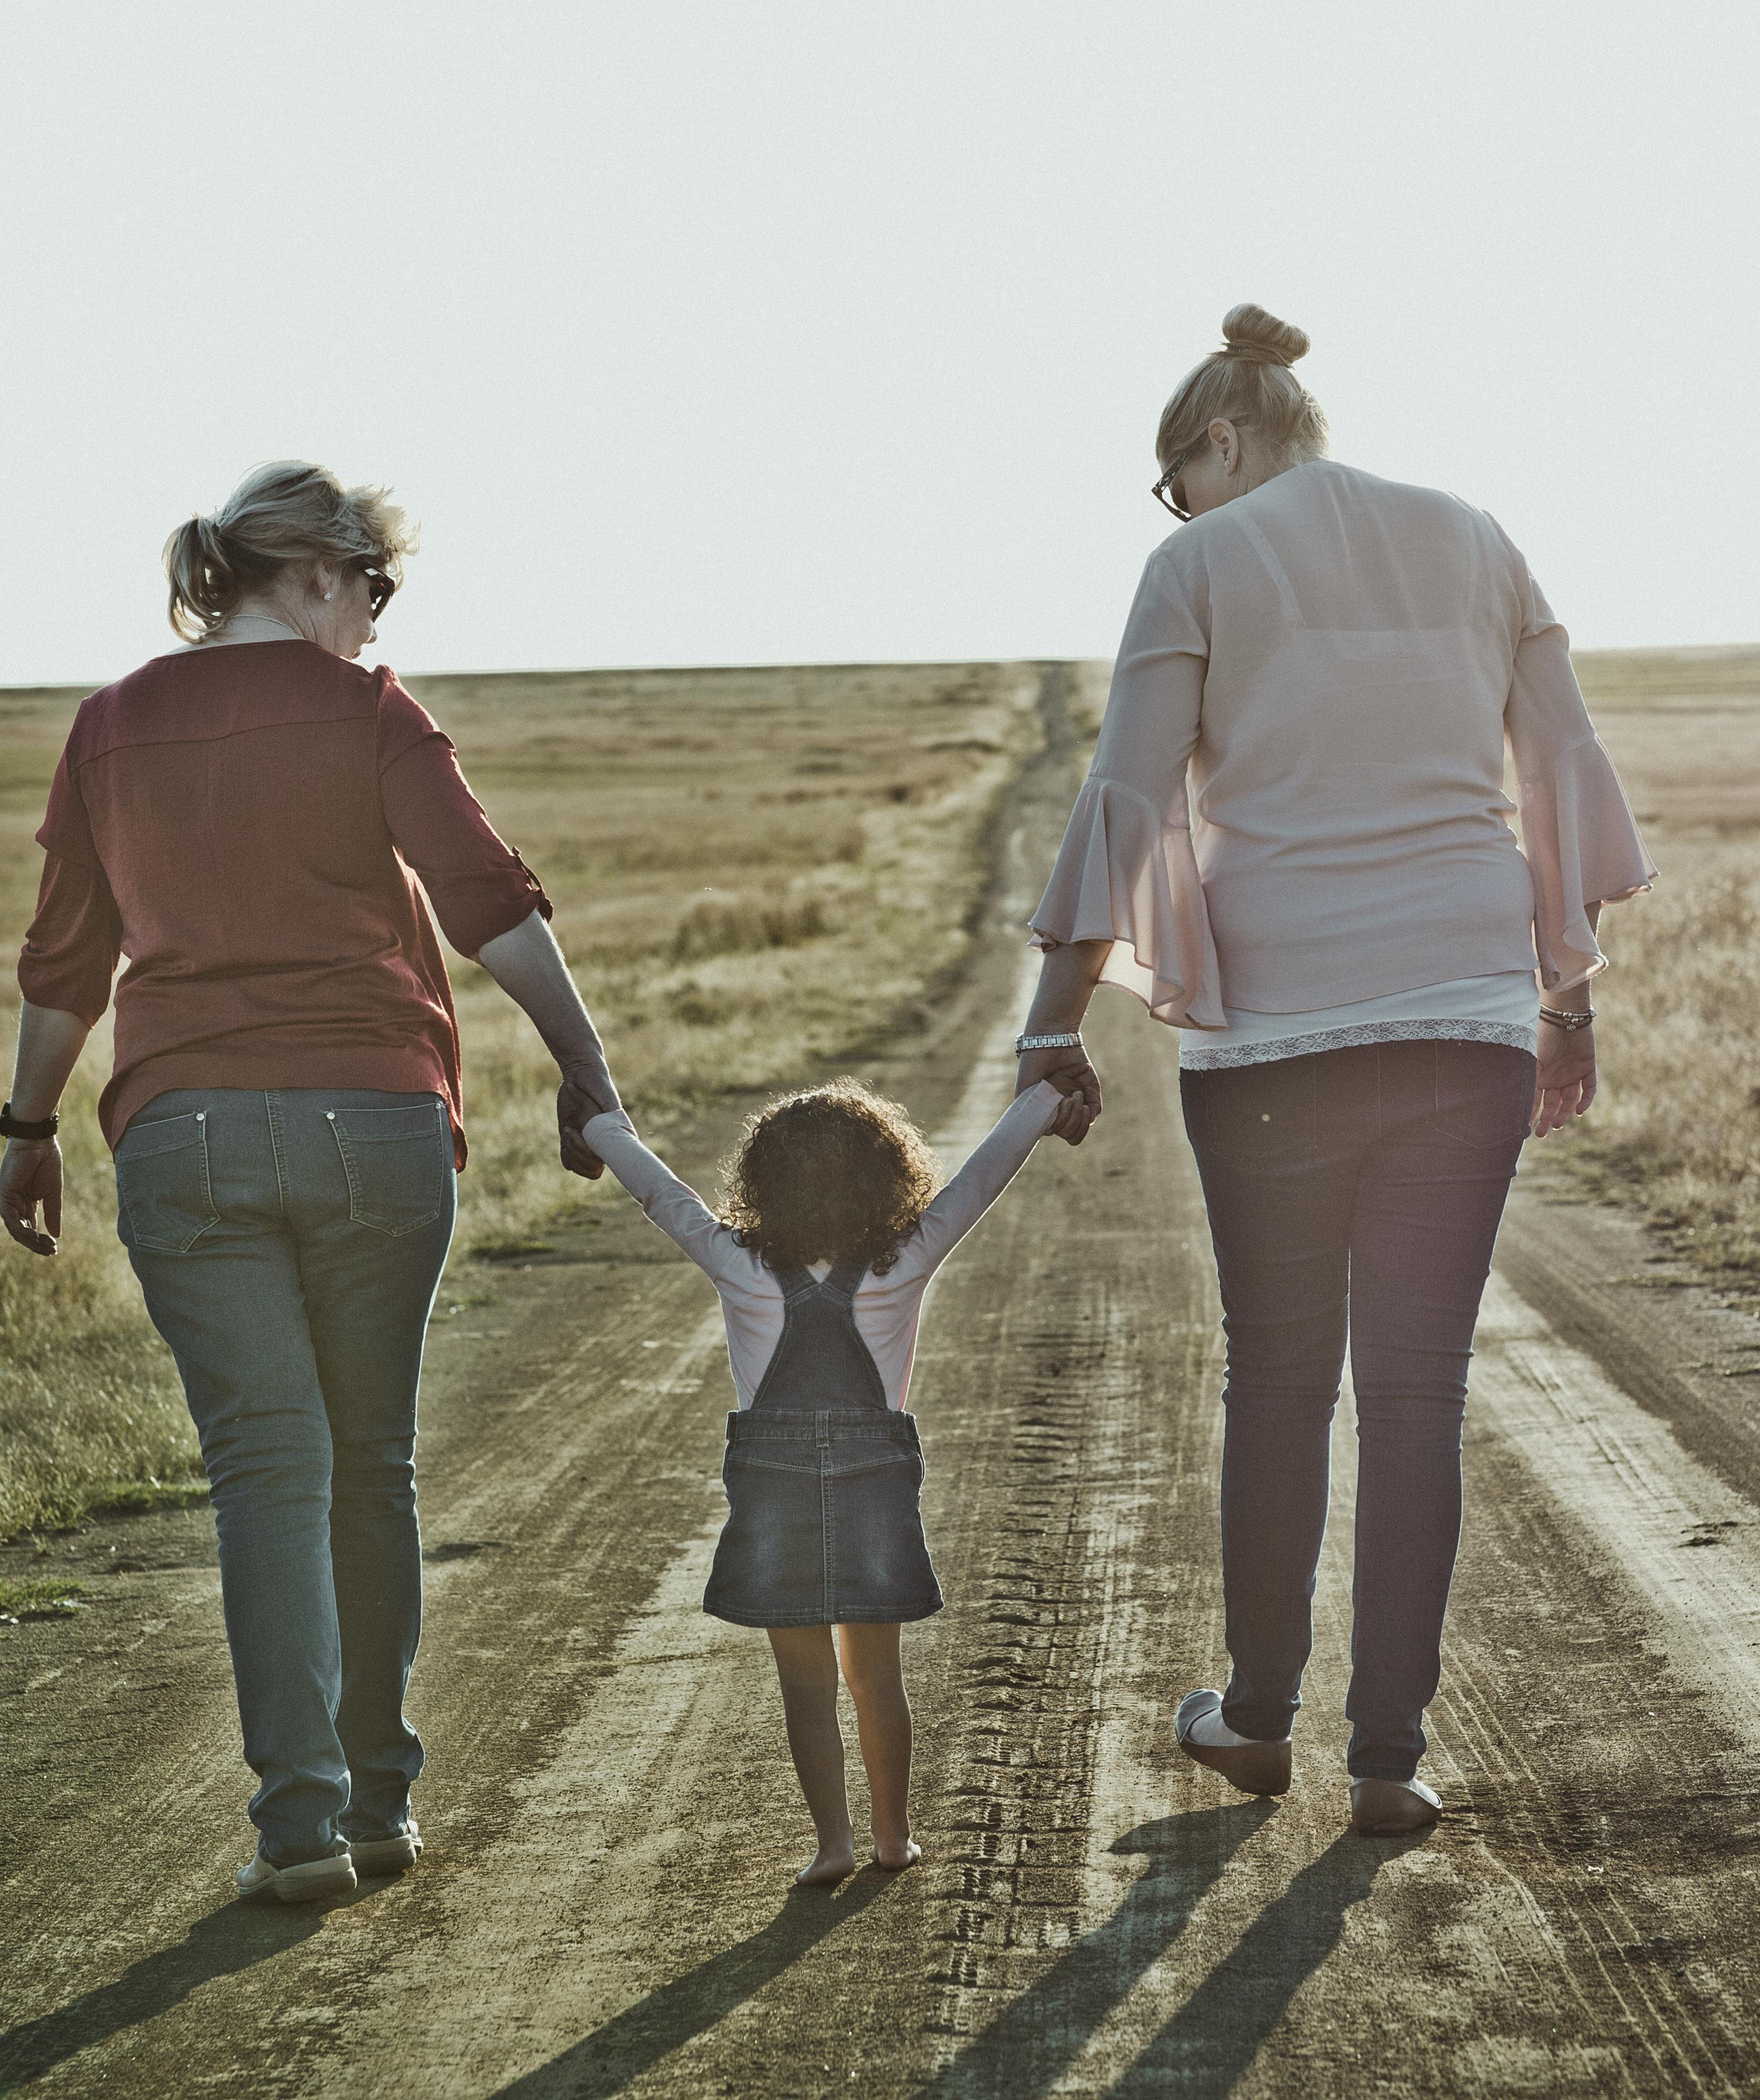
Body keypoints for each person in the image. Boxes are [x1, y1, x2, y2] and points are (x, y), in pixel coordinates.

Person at [1016, 306, 1656, 1838]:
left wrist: (1053, 1021)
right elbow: (1556, 768)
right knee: (1422, 1392)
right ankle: (1390, 1757)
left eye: (1182, 481)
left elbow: (1127, 792)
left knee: (1283, 1380)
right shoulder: (1479, 539)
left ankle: (1254, 1715)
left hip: (1279, 1043)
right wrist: (1567, 1002)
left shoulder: (1197, 566)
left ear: (1225, 442)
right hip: (1468, 1018)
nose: (1181, 512)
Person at [0, 460, 621, 1903]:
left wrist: (27, 1128)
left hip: (184, 1136)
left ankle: (296, 1826)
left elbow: (65, 962)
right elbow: (487, 903)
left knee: (266, 1477)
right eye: (378, 593)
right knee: (369, 1464)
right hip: (375, 1126)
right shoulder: (368, 709)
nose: (376, 625)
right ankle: (383, 1807)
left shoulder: (109, 727)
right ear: (326, 576)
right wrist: (589, 1074)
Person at [577, 1076, 1090, 1884]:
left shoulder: (738, 1265)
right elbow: (981, 1179)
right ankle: (894, 1836)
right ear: (886, 1177)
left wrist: (603, 1126)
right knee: (876, 1674)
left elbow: (661, 1195)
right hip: (874, 1482)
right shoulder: (904, 1261)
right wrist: (1043, 1103)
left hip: (773, 1489)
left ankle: (832, 1846)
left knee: (806, 1681)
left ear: (762, 1184)